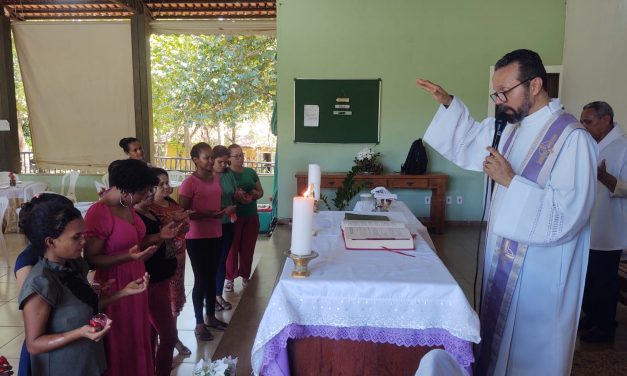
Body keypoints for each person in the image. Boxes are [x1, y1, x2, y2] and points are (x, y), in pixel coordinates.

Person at [417, 49, 597, 375]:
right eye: (496, 93)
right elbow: (471, 139)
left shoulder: (573, 140)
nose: (499, 100)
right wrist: (448, 105)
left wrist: (511, 182)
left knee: (531, 357)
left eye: (505, 92)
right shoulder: (513, 127)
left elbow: (568, 214)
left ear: (535, 84)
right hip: (501, 261)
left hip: (540, 277)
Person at [18, 199, 149, 376]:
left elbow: (86, 309)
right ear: (50, 242)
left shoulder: (74, 266)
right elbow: (34, 344)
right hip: (63, 368)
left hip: (87, 362)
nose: (83, 242)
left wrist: (123, 292)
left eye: (83, 235)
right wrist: (79, 333)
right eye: (76, 237)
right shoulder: (41, 282)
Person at [83, 159, 160, 376]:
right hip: (115, 283)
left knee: (137, 334)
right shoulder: (100, 212)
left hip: (135, 280)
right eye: (142, 192)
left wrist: (159, 237)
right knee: (121, 338)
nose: (144, 197)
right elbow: (91, 259)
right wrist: (128, 256)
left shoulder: (127, 207)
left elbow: (135, 241)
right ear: (126, 190)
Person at [578, 101, 627, 343]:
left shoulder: (623, 146)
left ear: (605, 120)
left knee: (605, 279)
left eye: (588, 121)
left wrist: (606, 178)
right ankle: (594, 317)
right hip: (589, 222)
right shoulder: (591, 145)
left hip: (610, 225)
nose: (583, 126)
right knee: (589, 276)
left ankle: (605, 325)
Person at [14, 193, 76, 376]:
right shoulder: (28, 261)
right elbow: (35, 307)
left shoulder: (62, 254)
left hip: (66, 337)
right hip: (49, 342)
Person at [178, 142, 231, 341]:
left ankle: (210, 317)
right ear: (195, 160)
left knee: (211, 276)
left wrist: (222, 212)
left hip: (215, 232)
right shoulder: (189, 183)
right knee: (201, 279)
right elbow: (182, 213)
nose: (210, 161)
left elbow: (216, 202)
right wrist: (204, 215)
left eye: (211, 157)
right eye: (206, 158)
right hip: (196, 236)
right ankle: (199, 323)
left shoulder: (216, 179)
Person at [134, 188, 181, 376]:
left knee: (152, 334)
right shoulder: (134, 216)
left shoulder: (151, 212)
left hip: (161, 280)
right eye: (146, 190)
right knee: (169, 336)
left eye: (153, 189)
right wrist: (160, 236)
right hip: (149, 282)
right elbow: (140, 245)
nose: (151, 194)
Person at [148, 167, 191, 355]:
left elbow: (185, 226)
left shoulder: (171, 203)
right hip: (160, 262)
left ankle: (172, 337)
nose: (167, 187)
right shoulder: (149, 209)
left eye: (168, 183)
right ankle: (161, 341)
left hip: (178, 260)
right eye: (161, 184)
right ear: (151, 188)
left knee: (174, 301)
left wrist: (182, 219)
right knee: (161, 304)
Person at [225, 144, 263, 292]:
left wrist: (254, 194)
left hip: (251, 215)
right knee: (232, 249)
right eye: (236, 156)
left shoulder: (250, 172)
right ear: (229, 158)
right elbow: (223, 194)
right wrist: (236, 197)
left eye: (242, 155)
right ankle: (229, 278)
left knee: (248, 248)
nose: (240, 158)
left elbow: (260, 191)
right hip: (234, 217)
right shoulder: (226, 174)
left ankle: (246, 276)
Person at [211, 146, 238, 311]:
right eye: (219, 162)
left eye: (225, 162)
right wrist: (223, 209)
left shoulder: (228, 174)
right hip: (210, 225)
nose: (223, 165)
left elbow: (232, 193)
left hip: (227, 222)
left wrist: (238, 196)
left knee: (221, 260)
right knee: (210, 262)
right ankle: (210, 296)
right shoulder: (205, 178)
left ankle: (218, 294)